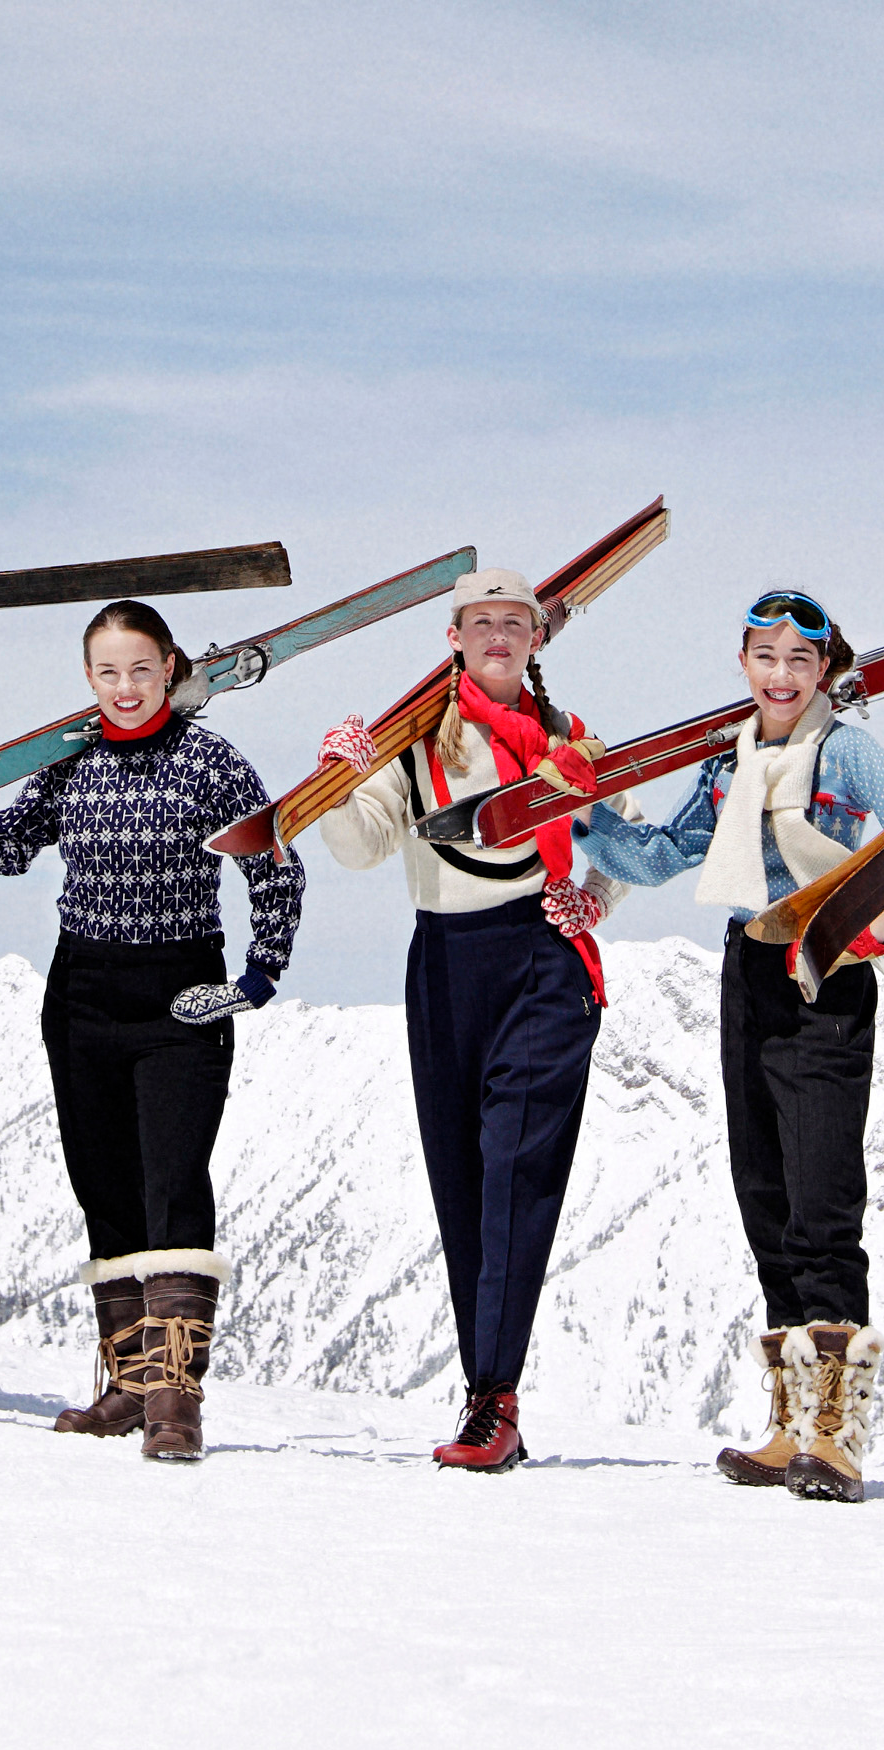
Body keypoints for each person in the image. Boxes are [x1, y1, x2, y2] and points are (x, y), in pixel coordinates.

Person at [574, 590, 884, 1501]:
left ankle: (836, 1431)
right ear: (743, 665)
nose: (783, 674)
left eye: (800, 659)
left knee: (822, 1191)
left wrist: (880, 920)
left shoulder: (848, 748)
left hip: (826, 966)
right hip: (749, 967)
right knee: (765, 1189)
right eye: (766, 656)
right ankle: (792, 1419)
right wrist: (582, 810)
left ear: (826, 670)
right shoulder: (729, 760)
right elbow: (662, 855)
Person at [0, 600, 302, 1464]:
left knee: (174, 1183)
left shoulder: (209, 762)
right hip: (82, 995)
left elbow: (273, 859)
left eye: (141, 669)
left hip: (181, 996)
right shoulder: (71, 764)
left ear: (169, 668)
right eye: (108, 673)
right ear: (88, 680)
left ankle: (177, 1402)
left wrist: (258, 972)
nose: (126, 688)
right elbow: (7, 847)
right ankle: (127, 1387)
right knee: (104, 1185)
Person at [314, 568, 630, 1473]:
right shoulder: (417, 742)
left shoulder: (572, 741)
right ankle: (485, 1390)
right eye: (479, 621)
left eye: (513, 622)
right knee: (461, 1176)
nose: (498, 634)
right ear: (453, 638)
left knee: (513, 1166)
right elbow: (359, 847)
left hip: (542, 959)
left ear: (536, 638)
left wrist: (595, 899)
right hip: (445, 964)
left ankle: (496, 1394)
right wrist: (345, 778)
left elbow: (625, 841)